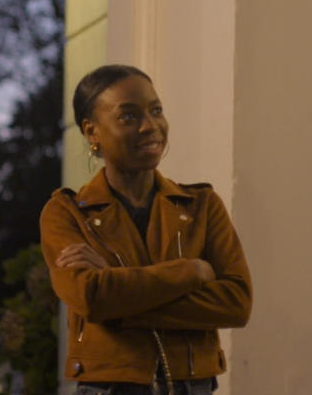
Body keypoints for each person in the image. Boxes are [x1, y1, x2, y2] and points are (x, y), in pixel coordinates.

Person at [40, 65, 252, 395]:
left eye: (156, 111)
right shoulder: (66, 213)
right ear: (92, 131)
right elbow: (91, 297)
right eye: (128, 117)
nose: (150, 126)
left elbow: (236, 303)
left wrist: (119, 289)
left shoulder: (202, 204)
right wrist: (191, 270)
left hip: (193, 386)